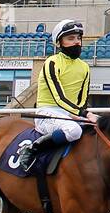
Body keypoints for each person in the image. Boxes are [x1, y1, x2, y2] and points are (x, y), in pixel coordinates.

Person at [17, 19, 96, 170]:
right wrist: (83, 113)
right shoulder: (52, 62)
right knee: (74, 131)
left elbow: (82, 99)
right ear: (59, 43)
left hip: (71, 114)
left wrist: (83, 114)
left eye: (78, 38)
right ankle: (33, 149)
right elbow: (58, 98)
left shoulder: (84, 67)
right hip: (48, 112)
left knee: (102, 128)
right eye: (70, 38)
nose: (77, 42)